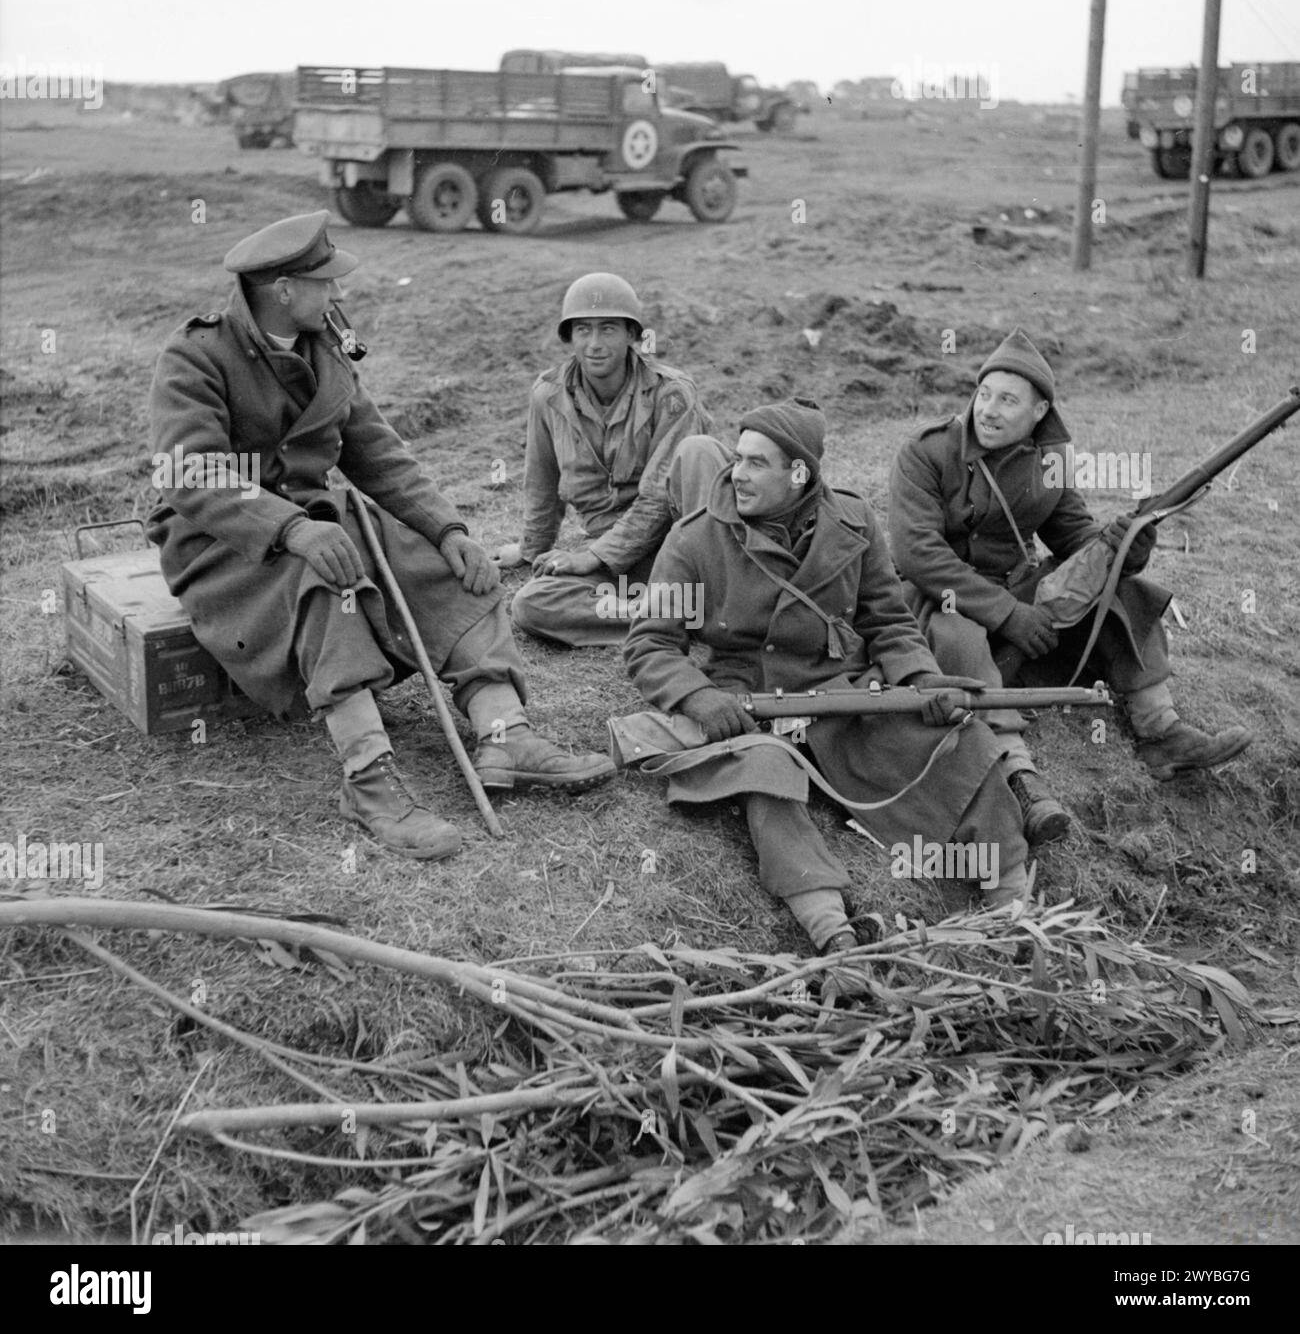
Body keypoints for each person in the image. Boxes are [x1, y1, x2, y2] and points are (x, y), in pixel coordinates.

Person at [147, 210, 613, 862]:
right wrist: (290, 528)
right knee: (326, 582)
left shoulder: (327, 350)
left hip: (319, 521)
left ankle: (506, 737)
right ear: (282, 288)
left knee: (451, 569)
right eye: (324, 282)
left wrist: (446, 529)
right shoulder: (196, 356)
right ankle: (367, 780)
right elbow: (189, 473)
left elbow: (377, 454)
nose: (338, 294)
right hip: (226, 542)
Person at [623, 398, 1034, 968]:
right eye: (737, 459)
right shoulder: (696, 538)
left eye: (756, 463)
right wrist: (700, 697)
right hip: (750, 701)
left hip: (843, 692)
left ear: (800, 474)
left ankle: (1012, 911)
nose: (736, 473)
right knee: (765, 775)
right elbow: (649, 643)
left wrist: (920, 681)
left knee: (958, 746)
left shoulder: (854, 521)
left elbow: (888, 623)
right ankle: (834, 936)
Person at [889, 327, 1252, 837]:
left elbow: (1075, 536)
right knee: (957, 637)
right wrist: (1008, 614)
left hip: (1019, 594)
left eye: (1008, 401)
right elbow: (918, 554)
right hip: (941, 598)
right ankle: (1019, 776)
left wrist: (1125, 547)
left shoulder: (1049, 460)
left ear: (1038, 413)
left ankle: (1161, 732)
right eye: (984, 395)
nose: (988, 410)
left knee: (1120, 588)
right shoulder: (927, 452)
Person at [497, 273, 718, 646]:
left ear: (633, 335)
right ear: (568, 338)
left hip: (673, 548)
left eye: (609, 330)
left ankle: (682, 604)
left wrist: (595, 556)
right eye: (583, 330)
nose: (595, 344)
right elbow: (542, 483)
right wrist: (531, 550)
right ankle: (666, 615)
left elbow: (659, 499)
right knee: (532, 605)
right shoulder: (548, 395)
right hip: (613, 559)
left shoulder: (671, 395)